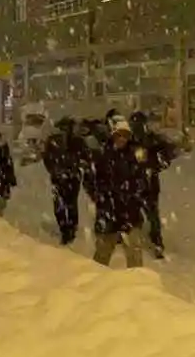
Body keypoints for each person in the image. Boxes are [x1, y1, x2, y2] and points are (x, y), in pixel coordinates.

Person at [90, 119, 148, 267]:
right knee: (101, 257)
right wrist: (102, 198)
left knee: (134, 256)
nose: (122, 139)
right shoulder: (104, 155)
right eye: (119, 135)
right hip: (109, 212)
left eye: (125, 135)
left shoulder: (135, 155)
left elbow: (141, 180)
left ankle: (138, 285)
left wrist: (135, 197)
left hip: (130, 212)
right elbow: (95, 181)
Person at [129, 111, 177, 259]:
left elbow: (166, 155)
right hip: (137, 182)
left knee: (149, 214)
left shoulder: (150, 141)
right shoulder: (134, 141)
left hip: (147, 183)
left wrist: (154, 166)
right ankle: (149, 241)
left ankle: (155, 242)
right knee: (141, 214)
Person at [41, 117, 88, 245]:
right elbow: (47, 158)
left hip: (72, 178)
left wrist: (77, 167)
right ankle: (65, 229)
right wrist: (54, 170)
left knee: (71, 203)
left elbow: (85, 157)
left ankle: (71, 228)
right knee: (59, 205)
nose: (66, 130)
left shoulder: (77, 142)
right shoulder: (53, 141)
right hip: (58, 178)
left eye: (68, 128)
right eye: (64, 128)